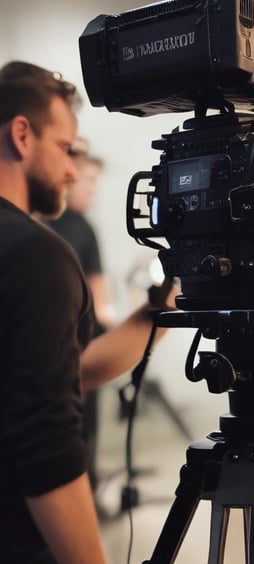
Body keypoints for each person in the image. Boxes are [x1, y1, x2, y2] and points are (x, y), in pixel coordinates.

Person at [0, 60, 131, 564]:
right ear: (21, 135)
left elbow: (59, 370)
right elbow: (45, 446)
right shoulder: (36, 254)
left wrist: (153, 314)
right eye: (65, 147)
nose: (73, 171)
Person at [49, 141, 114, 489]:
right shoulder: (49, 224)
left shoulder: (81, 228)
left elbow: (99, 293)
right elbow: (98, 294)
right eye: (88, 180)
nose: (90, 188)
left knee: (79, 428)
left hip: (79, 347)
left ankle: (85, 489)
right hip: (63, 350)